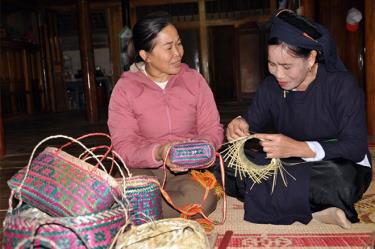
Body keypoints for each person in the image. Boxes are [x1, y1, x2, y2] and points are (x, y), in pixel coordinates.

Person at [223, 9, 372, 229]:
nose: (278, 74)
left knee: (339, 180)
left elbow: (355, 147)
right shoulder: (271, 86)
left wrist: (300, 148)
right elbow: (250, 124)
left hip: (332, 165)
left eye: (286, 66)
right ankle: (318, 210)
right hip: (291, 166)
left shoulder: (342, 86)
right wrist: (238, 125)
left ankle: (288, 200)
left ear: (311, 58)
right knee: (225, 163)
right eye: (271, 64)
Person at [108, 13, 224, 219]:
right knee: (136, 192)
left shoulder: (194, 81)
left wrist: (200, 150)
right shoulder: (125, 88)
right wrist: (159, 153)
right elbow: (123, 145)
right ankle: (143, 208)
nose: (178, 53)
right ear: (146, 55)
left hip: (187, 169)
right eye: (168, 47)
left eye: (178, 44)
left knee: (204, 200)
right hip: (143, 168)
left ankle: (140, 213)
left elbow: (212, 128)